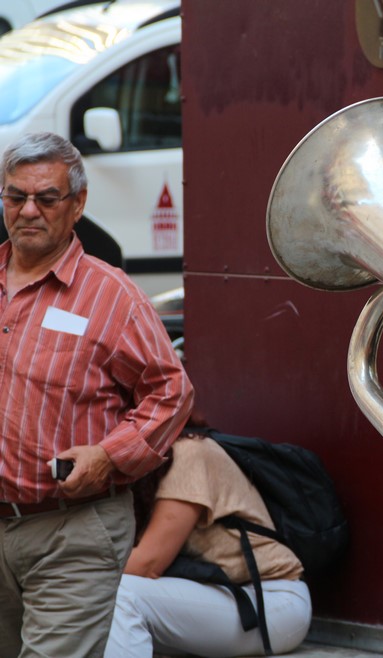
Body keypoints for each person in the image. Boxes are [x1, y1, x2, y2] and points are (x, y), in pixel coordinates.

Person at [0, 131, 193, 657]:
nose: (29, 211)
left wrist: (110, 455)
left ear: (77, 204)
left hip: (73, 530)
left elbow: (172, 392)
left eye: (47, 197)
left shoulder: (113, 296)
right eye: (16, 196)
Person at [104, 428, 312, 657]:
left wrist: (76, 572)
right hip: (219, 597)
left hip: (273, 603)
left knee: (118, 593)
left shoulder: (189, 452)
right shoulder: (140, 467)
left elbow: (149, 564)